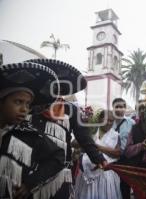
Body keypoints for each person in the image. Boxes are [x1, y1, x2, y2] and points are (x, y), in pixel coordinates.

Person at [25, 59, 107, 199]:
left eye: (59, 85)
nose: (55, 88)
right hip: (32, 170)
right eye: (51, 83)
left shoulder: (71, 110)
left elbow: (83, 137)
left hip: (61, 172)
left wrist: (97, 158)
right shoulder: (31, 106)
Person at [0, 62, 65, 199]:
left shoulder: (30, 133)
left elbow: (58, 157)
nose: (24, 109)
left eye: (28, 104)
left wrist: (30, 183)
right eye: (18, 102)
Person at [75, 110, 122, 199]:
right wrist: (86, 142)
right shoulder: (92, 131)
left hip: (105, 174)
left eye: (111, 121)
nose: (109, 123)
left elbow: (117, 153)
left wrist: (96, 147)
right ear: (100, 119)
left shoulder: (115, 135)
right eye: (106, 120)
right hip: (87, 172)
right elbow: (74, 143)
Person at [112, 97, 135, 199]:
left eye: (121, 107)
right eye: (116, 107)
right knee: (113, 184)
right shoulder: (109, 122)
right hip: (112, 158)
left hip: (127, 159)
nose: (119, 109)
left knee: (125, 185)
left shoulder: (132, 123)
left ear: (125, 108)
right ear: (113, 108)